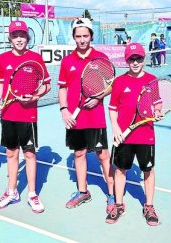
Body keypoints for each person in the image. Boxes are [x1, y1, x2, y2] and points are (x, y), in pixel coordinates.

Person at [0, 20, 51, 213]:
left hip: (28, 116)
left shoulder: (36, 58)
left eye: (22, 35)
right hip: (8, 115)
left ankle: (32, 194)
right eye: (15, 36)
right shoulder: (3, 58)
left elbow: (47, 85)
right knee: (11, 154)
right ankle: (11, 191)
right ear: (10, 38)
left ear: (27, 37)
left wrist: (36, 96)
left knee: (29, 154)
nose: (19, 39)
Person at [58, 17, 115, 213]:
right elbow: (62, 89)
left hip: (95, 117)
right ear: (73, 37)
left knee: (103, 156)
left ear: (91, 36)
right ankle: (83, 192)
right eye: (78, 36)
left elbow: (111, 84)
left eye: (85, 36)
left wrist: (99, 98)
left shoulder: (100, 59)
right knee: (79, 153)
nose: (82, 40)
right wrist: (64, 110)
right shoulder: (67, 61)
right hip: (75, 118)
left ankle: (112, 195)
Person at [106, 42, 162, 226]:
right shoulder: (119, 82)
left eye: (138, 58)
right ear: (127, 61)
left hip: (145, 134)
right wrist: (115, 128)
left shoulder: (152, 80)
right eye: (132, 59)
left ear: (144, 59)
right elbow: (113, 108)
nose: (135, 62)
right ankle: (119, 204)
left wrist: (158, 112)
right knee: (120, 170)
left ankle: (149, 206)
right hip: (123, 136)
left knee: (148, 170)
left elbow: (157, 104)